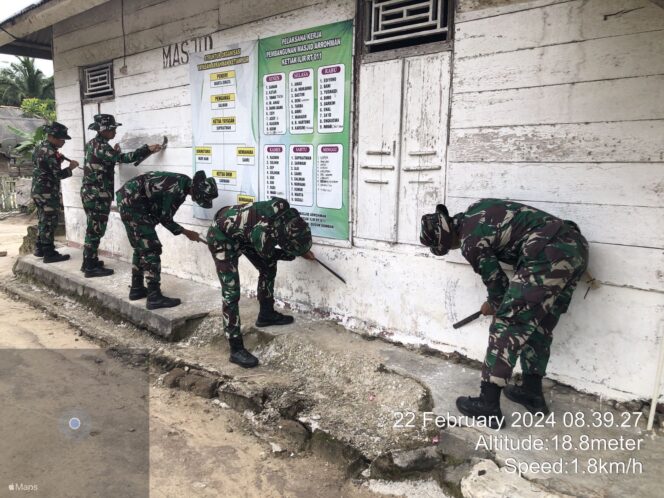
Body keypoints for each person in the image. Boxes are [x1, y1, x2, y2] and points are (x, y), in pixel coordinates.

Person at [420, 199, 589, 428]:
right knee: (539, 325)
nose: (451, 250)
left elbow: (497, 284)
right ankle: (531, 393)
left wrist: (493, 303)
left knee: (508, 325)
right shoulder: (476, 210)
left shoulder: (470, 241)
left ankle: (487, 405)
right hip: (575, 247)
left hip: (546, 252)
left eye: (446, 247)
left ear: (446, 239)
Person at [206, 197, 315, 368]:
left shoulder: (285, 212)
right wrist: (294, 254)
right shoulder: (262, 235)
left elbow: (283, 240)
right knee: (231, 292)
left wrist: (302, 249)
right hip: (221, 237)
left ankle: (266, 314)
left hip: (242, 233)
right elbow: (271, 253)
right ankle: (236, 349)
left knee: (267, 268)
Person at [115, 171, 218, 309]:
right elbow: (165, 219)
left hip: (132, 200)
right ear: (198, 192)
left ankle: (137, 288)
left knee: (141, 246)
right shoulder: (177, 190)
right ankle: (154, 297)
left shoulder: (183, 182)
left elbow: (160, 211)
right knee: (151, 248)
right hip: (132, 203)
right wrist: (187, 232)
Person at [81, 114, 162, 277]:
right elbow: (124, 159)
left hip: (90, 193)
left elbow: (107, 160)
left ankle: (88, 261)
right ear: (103, 130)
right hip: (97, 196)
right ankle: (90, 267)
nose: (115, 132)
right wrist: (146, 149)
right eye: (112, 129)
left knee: (93, 228)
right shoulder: (102, 147)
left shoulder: (93, 144)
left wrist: (114, 153)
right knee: (95, 230)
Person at [31, 122, 79, 263]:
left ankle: (40, 248)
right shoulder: (50, 152)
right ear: (52, 137)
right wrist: (71, 168)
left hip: (38, 190)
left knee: (43, 220)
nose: (63, 141)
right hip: (47, 192)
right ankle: (49, 253)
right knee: (49, 221)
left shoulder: (41, 146)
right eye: (61, 139)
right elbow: (57, 175)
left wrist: (58, 158)